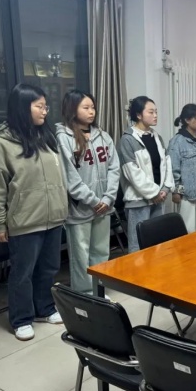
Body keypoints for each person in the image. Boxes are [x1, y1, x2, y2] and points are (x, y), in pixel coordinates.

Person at [0, 84, 68, 341]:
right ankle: (21, 319)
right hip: (25, 220)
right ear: (22, 107)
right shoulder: (1, 144)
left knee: (49, 268)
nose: (45, 111)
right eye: (39, 106)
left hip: (53, 217)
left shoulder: (46, 137)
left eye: (45, 106)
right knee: (22, 273)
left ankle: (45, 308)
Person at [56, 90, 120, 294]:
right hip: (80, 209)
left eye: (93, 107)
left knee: (101, 251)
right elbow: (70, 177)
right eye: (86, 107)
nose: (91, 111)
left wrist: (108, 198)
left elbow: (114, 168)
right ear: (72, 109)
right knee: (81, 256)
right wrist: (93, 201)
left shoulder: (103, 136)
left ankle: (99, 292)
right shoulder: (63, 138)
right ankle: (85, 295)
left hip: (104, 206)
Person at [118, 96, 174, 253]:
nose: (155, 115)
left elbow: (166, 164)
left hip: (159, 198)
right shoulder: (128, 140)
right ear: (138, 115)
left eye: (156, 112)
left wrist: (165, 188)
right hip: (138, 200)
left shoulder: (157, 137)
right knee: (138, 245)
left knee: (157, 242)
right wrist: (155, 192)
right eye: (151, 112)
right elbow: (132, 172)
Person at [168, 103, 196, 233]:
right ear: (187, 120)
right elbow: (173, 169)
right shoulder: (177, 141)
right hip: (188, 193)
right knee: (187, 228)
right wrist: (177, 191)